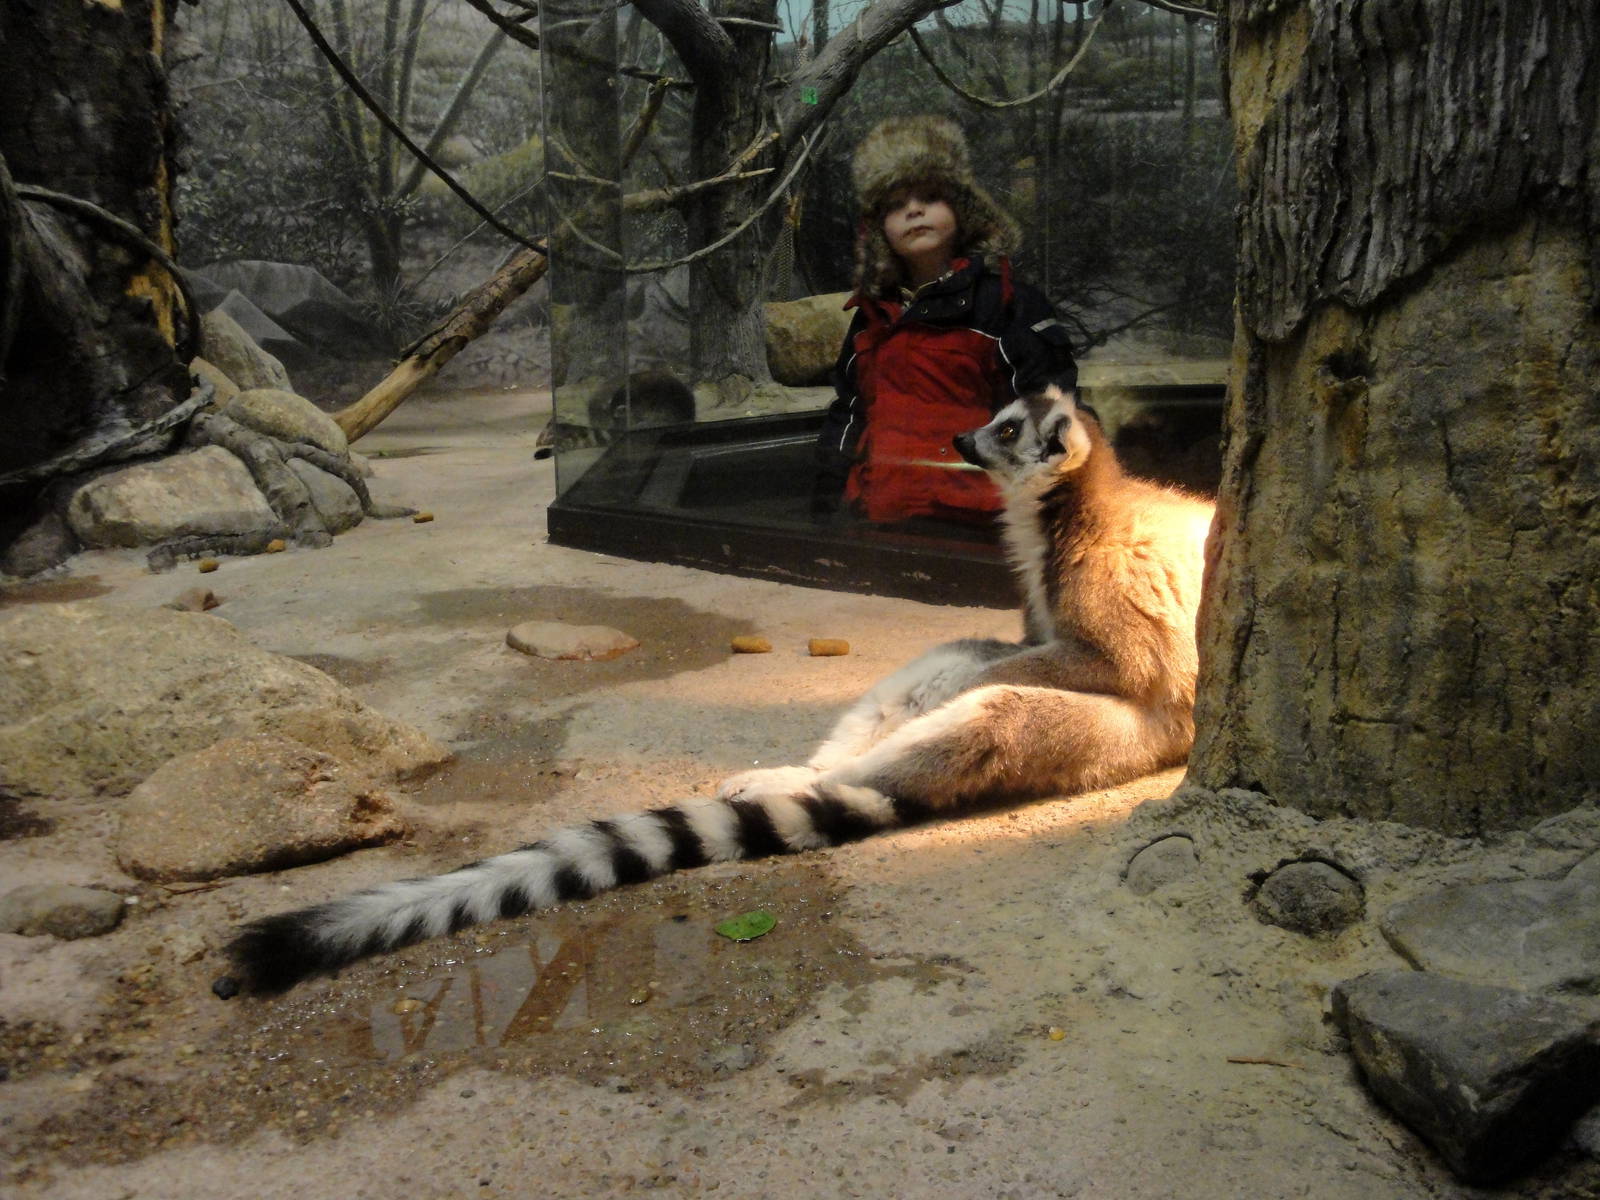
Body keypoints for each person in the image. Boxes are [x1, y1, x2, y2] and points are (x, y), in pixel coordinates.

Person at [813, 114, 1079, 527]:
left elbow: (1049, 415)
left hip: (981, 524)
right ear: (879, 228)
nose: (914, 210)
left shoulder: (1004, 304)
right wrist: (828, 503)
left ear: (962, 206)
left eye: (930, 196)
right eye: (896, 205)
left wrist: (1052, 518)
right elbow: (850, 411)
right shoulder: (871, 316)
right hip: (881, 515)